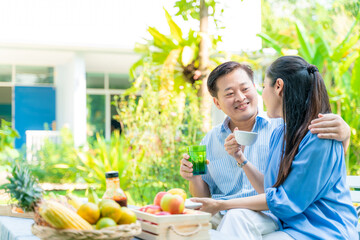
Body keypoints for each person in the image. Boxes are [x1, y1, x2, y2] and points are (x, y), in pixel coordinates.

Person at [191, 56, 358, 239]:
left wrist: (223, 205)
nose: (259, 95)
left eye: (262, 87)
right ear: (217, 102)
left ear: (278, 87)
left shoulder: (319, 133)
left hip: (322, 229)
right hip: (293, 224)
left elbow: (285, 201)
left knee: (237, 219)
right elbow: (270, 189)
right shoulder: (281, 133)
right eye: (230, 93)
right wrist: (240, 158)